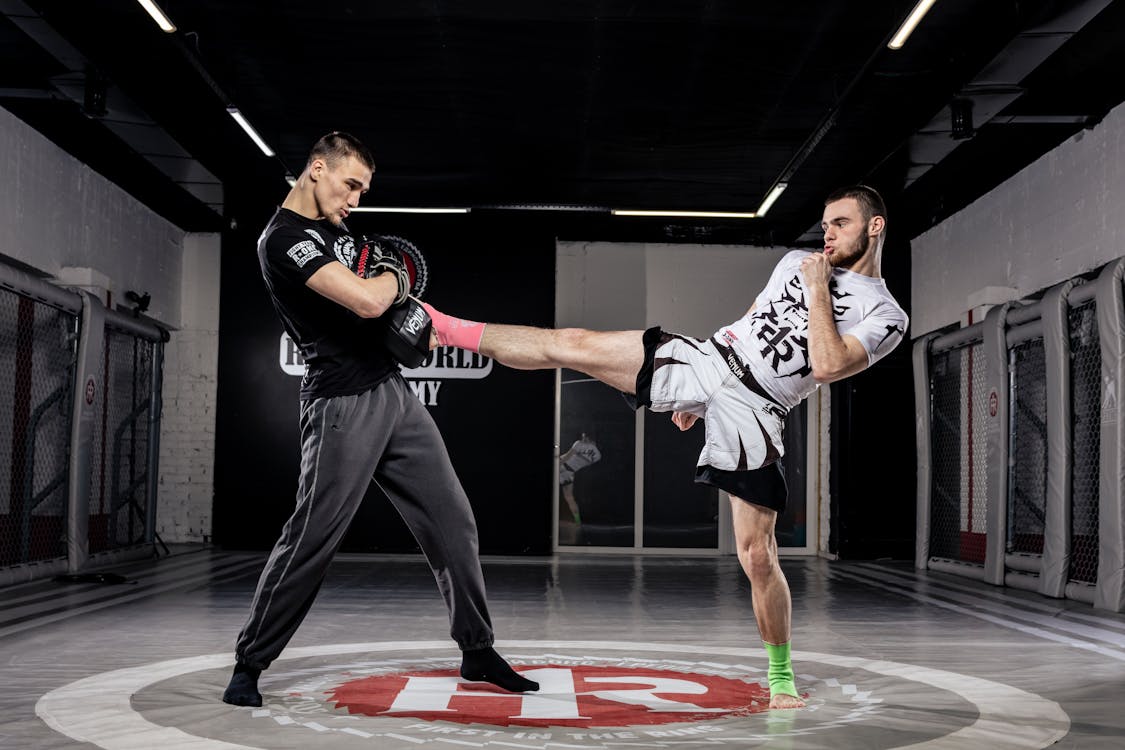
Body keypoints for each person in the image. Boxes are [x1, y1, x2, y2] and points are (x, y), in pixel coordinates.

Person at [422, 185, 907, 709]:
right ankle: (442, 327)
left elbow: (830, 365)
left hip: (759, 406)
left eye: (840, 223)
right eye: (825, 224)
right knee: (573, 343)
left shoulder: (885, 315)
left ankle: (781, 676)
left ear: (874, 226)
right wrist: (701, 395)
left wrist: (817, 290)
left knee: (757, 555)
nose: (827, 234)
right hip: (711, 360)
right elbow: (749, 320)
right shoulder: (795, 261)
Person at [223, 132, 538, 707]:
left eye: (362, 192)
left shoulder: (339, 232)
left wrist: (395, 293)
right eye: (350, 186)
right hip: (341, 402)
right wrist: (399, 275)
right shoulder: (284, 239)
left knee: (454, 519)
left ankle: (477, 649)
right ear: (317, 169)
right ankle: (249, 663)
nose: (354, 201)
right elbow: (370, 300)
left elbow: (379, 307)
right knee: (313, 537)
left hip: (393, 392)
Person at [558, 432, 601, 525]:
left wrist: (557, 464)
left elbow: (567, 456)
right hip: (570, 473)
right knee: (569, 497)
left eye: (584, 437)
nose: (582, 439)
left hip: (562, 466)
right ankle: (578, 521)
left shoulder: (579, 444)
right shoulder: (598, 456)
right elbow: (580, 461)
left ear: (588, 438)